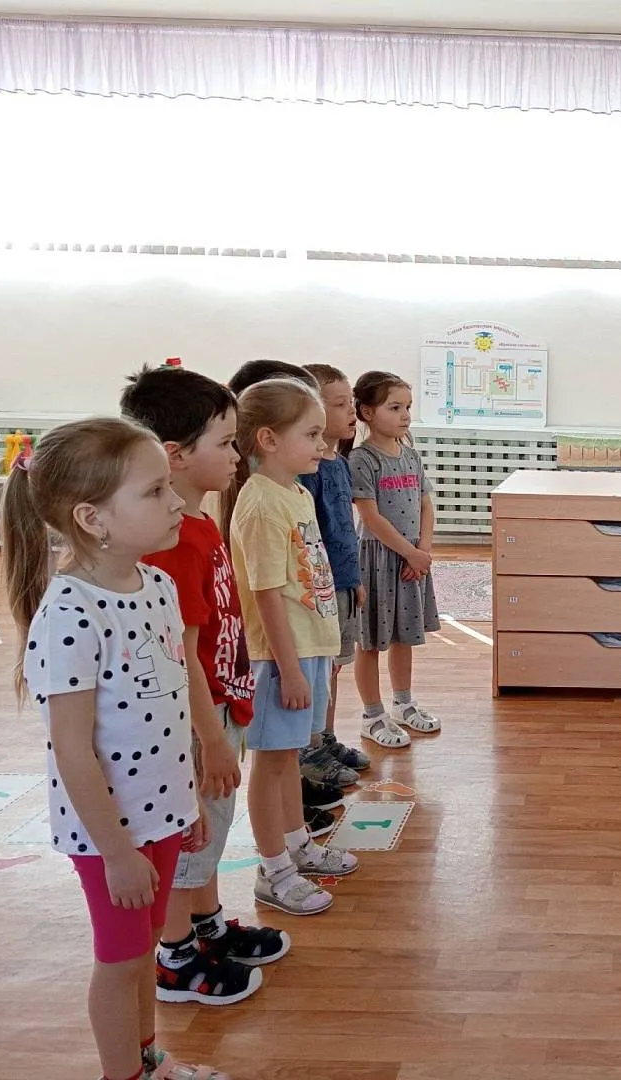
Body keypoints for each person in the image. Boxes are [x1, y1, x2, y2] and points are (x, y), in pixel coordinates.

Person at [3, 416, 231, 1080]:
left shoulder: (157, 586)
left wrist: (184, 803)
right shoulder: (70, 612)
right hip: (111, 836)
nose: (177, 502)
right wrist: (116, 853)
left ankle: (148, 1059)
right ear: (92, 518)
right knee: (121, 960)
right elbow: (73, 752)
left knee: (143, 953)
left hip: (159, 817)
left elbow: (170, 706)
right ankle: (122, 1073)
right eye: (155, 491)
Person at [121, 365, 290, 1007]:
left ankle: (207, 924)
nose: (236, 454)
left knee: (211, 830)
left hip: (218, 706)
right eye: (224, 442)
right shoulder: (173, 541)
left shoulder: (197, 523)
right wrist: (210, 739)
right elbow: (182, 655)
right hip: (197, 717)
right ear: (176, 455)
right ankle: (176, 956)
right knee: (188, 834)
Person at [226, 378, 358, 916]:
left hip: (307, 649)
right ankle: (273, 869)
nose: (323, 445)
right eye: (311, 434)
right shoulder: (260, 503)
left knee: (287, 758)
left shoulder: (296, 492)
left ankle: (297, 843)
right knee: (273, 762)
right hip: (281, 656)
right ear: (268, 439)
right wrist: (291, 669)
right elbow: (266, 594)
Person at [350, 370, 442, 747]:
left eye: (407, 407)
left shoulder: (411, 456)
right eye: (394, 407)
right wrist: (410, 552)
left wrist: (422, 551)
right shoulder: (362, 459)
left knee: (405, 635)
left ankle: (403, 704)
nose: (405, 415)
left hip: (411, 561)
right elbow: (371, 518)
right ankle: (372, 715)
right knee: (370, 641)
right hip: (377, 560)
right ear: (367, 412)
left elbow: (426, 504)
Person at [299, 363, 382, 763]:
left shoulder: (340, 463)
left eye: (351, 402)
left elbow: (345, 531)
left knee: (334, 667)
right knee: (321, 669)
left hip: (343, 585)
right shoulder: (307, 472)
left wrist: (354, 580)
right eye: (339, 404)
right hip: (318, 590)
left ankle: (326, 738)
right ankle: (312, 746)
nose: (352, 410)